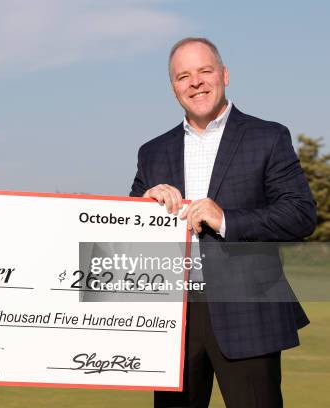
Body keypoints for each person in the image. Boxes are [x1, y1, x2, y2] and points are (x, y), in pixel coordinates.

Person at [130, 38, 316, 407]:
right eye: (183, 76)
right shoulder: (151, 152)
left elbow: (300, 214)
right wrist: (144, 207)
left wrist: (227, 219)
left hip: (248, 311)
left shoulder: (268, 136)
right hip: (173, 319)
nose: (195, 82)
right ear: (174, 88)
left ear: (224, 75)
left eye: (204, 71)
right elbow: (126, 229)